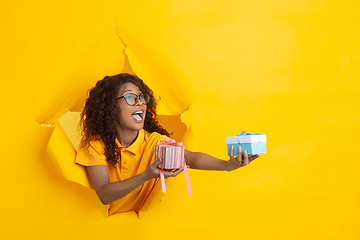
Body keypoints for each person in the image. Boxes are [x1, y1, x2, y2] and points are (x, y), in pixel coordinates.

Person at [75, 73, 259, 215]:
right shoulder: (95, 146)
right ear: (111, 107)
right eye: (131, 98)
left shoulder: (154, 142)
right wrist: (147, 175)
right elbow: (104, 194)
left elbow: (190, 157)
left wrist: (226, 165)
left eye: (142, 97)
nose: (140, 103)